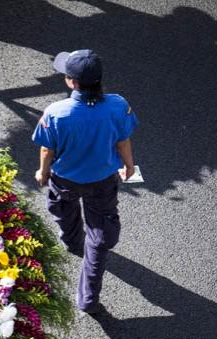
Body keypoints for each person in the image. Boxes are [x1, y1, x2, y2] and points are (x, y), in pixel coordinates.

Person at [32, 49, 138, 314]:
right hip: (103, 181)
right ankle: (88, 299)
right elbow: (123, 140)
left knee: (63, 211)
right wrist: (129, 166)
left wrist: (43, 173)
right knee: (99, 239)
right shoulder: (117, 105)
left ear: (72, 82)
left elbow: (47, 149)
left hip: (65, 179)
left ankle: (71, 240)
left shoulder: (56, 112)